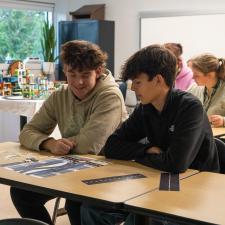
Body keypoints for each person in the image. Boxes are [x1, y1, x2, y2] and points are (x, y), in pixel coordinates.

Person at [80, 44, 220, 225]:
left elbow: (176, 164)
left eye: (138, 82)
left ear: (158, 80)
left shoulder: (189, 107)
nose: (132, 89)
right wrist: (146, 150)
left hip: (196, 187)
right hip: (155, 178)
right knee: (91, 207)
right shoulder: (145, 108)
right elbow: (111, 146)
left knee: (146, 218)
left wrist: (137, 155)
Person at [10, 40, 127, 225]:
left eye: (85, 75)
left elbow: (88, 147)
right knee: (22, 193)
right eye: (72, 74)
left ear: (98, 71)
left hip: (106, 172)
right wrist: (50, 143)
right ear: (64, 71)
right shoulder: (59, 95)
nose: (78, 82)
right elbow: (27, 132)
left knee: (76, 204)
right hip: (71, 168)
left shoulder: (110, 96)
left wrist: (58, 145)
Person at [188, 53, 225, 127]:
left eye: (196, 75)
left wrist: (223, 121)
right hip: (199, 135)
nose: (192, 78)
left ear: (210, 75)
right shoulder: (193, 88)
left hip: (219, 137)